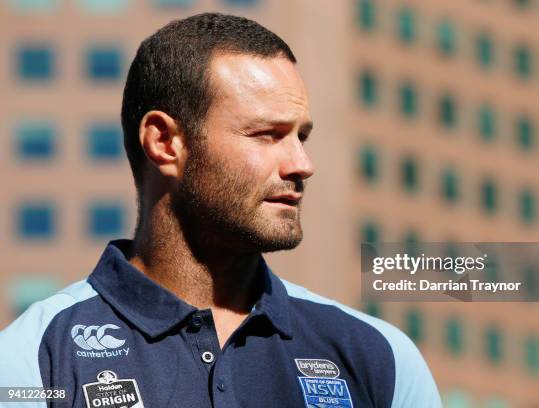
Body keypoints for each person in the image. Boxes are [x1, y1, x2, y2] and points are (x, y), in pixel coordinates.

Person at [0, 13, 441, 408]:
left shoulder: (378, 356)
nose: (301, 165)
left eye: (300, 137)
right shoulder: (34, 359)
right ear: (165, 143)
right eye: (266, 135)